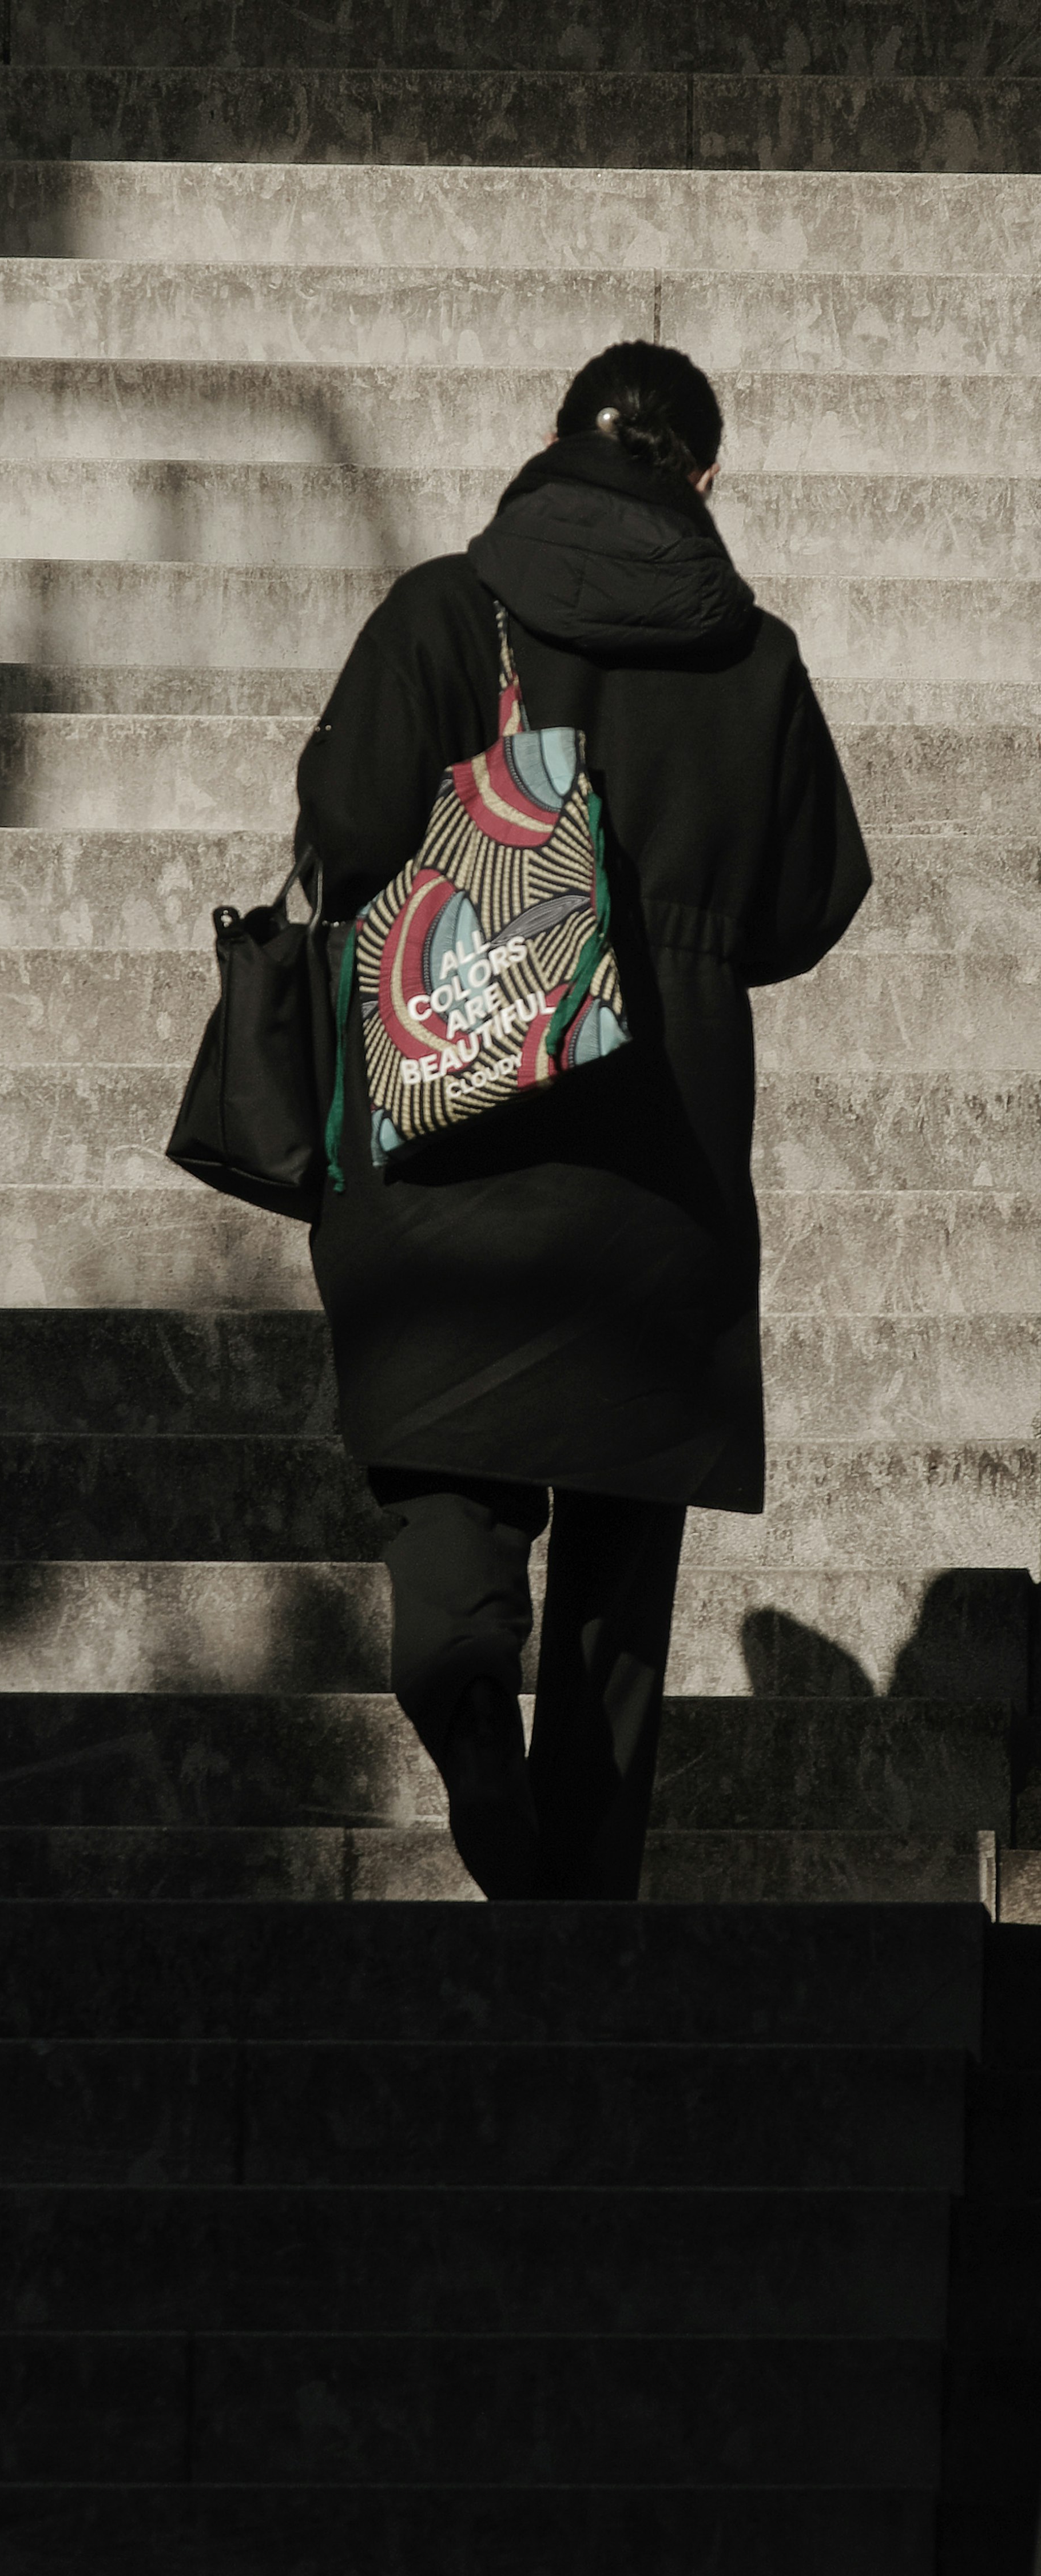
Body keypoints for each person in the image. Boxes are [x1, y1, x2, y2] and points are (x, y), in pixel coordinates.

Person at [297, 340, 872, 1901]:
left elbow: (347, 838)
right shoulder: (754, 660)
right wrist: (671, 931)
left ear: (554, 444)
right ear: (701, 477)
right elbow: (814, 899)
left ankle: (467, 1685)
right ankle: (585, 1896)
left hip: (453, 1118)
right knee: (624, 1546)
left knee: (448, 1447)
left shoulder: (445, 608)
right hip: (661, 1153)